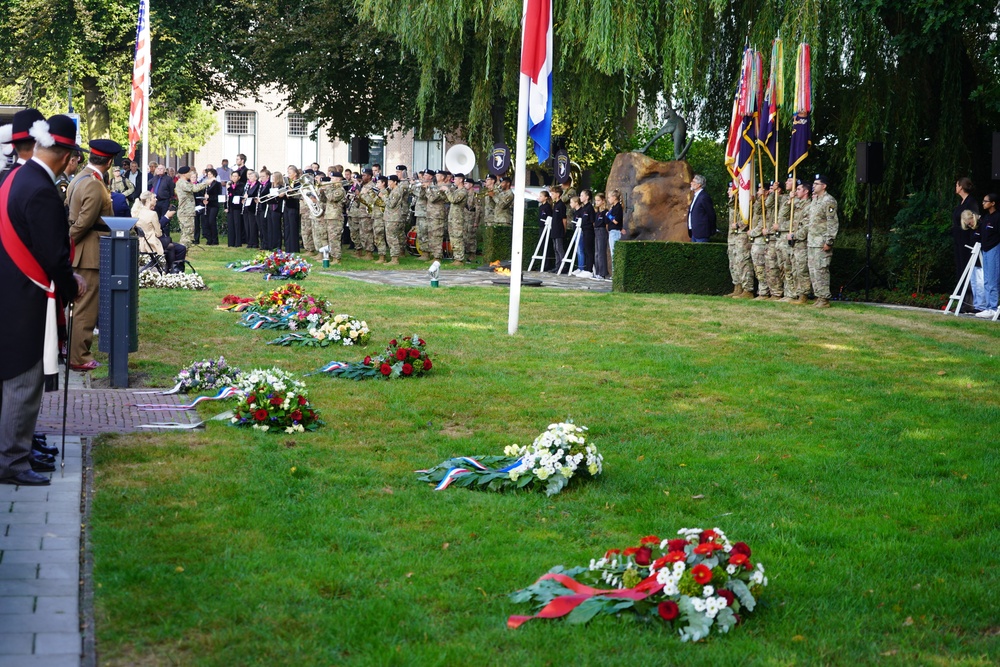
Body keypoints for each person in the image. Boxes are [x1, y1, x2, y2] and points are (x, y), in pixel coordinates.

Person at [0, 114, 86, 486]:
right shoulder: (40, 189)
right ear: (67, 158)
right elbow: (54, 255)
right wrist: (72, 285)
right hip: (27, 299)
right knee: (23, 382)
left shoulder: (17, 178)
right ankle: (13, 462)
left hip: (10, 291)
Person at [67, 137, 121, 372]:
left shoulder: (80, 177)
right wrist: (66, 244)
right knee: (85, 308)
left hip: (82, 251)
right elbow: (82, 223)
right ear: (109, 162)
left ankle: (73, 351)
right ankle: (79, 356)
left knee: (79, 306)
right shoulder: (93, 184)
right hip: (89, 253)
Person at [807, 174, 840, 308]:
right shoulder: (815, 200)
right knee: (813, 270)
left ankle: (824, 298)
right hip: (812, 241)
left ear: (824, 186)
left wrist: (829, 241)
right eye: (813, 184)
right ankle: (818, 296)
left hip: (821, 242)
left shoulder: (829, 201)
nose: (813, 186)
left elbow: (832, 222)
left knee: (821, 269)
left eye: (816, 184)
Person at [135, 191, 186, 271]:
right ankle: (174, 270)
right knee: (171, 244)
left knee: (172, 245)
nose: (156, 199)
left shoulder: (138, 212)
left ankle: (171, 269)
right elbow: (158, 234)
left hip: (142, 242)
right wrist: (166, 218)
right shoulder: (152, 214)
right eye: (154, 198)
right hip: (151, 243)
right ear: (148, 200)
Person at [787, 180, 813, 305]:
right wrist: (790, 199)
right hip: (795, 243)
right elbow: (784, 215)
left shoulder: (809, 207)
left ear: (806, 191)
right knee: (795, 268)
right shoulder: (797, 205)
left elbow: (807, 227)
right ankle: (798, 293)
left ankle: (804, 295)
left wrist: (795, 235)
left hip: (802, 242)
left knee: (802, 269)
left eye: (798, 189)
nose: (795, 191)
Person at [974, 195, 1000, 318]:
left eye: (986, 201)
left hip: (994, 248)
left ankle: (993, 308)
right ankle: (988, 306)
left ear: (993, 203)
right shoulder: (986, 217)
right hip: (985, 249)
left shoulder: (997, 217)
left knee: (993, 279)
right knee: (987, 278)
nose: (983, 203)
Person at [174, 166, 212, 247]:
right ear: (185, 174)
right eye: (189, 172)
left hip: (186, 212)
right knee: (187, 236)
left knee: (186, 234)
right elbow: (194, 188)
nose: (191, 174)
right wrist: (206, 182)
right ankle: (182, 252)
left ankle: (182, 252)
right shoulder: (182, 183)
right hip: (186, 213)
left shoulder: (182, 182)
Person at [748, 184, 771, 299]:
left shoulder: (768, 203)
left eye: (761, 189)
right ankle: (762, 290)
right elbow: (756, 213)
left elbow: (764, 221)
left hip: (761, 239)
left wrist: (753, 232)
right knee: (757, 267)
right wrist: (755, 200)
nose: (758, 192)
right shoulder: (760, 202)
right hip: (756, 239)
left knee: (761, 266)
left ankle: (764, 292)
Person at [321, 172, 346, 261]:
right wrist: (321, 191)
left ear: (338, 179)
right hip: (329, 216)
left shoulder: (340, 190)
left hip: (336, 217)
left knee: (334, 238)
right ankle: (331, 256)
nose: (330, 180)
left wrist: (327, 189)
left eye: (333, 178)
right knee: (330, 238)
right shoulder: (331, 189)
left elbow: (332, 198)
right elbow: (324, 200)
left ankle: (337, 258)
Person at [424, 171, 448, 261]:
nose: (436, 176)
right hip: (431, 214)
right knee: (431, 235)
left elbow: (432, 199)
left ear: (442, 177)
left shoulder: (443, 188)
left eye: (438, 175)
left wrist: (427, 189)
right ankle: (434, 255)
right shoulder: (435, 186)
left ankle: (437, 256)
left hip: (437, 215)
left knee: (437, 236)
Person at [446, 173, 468, 264]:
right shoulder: (456, 190)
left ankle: (459, 259)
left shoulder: (462, 191)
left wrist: (447, 190)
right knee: (453, 237)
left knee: (458, 237)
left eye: (455, 179)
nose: (453, 180)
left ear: (460, 180)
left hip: (458, 218)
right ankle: (456, 257)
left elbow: (453, 199)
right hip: (452, 218)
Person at [687, 174, 716, 242]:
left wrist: (711, 229)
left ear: (698, 185)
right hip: (694, 232)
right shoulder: (696, 196)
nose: (691, 183)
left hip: (702, 233)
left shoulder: (703, 197)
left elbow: (711, 214)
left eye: (693, 181)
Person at [282, 165, 302, 252]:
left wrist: (291, 191)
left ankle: (294, 248)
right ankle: (288, 247)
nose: (288, 174)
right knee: (287, 227)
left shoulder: (298, 183)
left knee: (293, 227)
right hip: (287, 205)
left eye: (290, 173)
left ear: (295, 173)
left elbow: (298, 195)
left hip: (294, 206)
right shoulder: (288, 182)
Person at [201, 168, 222, 245]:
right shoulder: (206, 184)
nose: (208, 176)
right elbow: (202, 194)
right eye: (208, 174)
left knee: (211, 221)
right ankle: (209, 239)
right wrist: (204, 200)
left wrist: (209, 198)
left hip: (214, 205)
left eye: (210, 174)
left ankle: (215, 240)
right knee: (206, 222)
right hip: (207, 205)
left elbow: (217, 196)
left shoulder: (217, 184)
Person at [592, 192, 609, 280]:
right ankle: (598, 272)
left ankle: (602, 273)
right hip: (596, 230)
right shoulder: (597, 212)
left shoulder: (605, 212)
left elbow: (606, 224)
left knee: (601, 253)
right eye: (595, 201)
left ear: (603, 201)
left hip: (602, 231)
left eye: (598, 200)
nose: (596, 202)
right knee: (597, 253)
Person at [226, 171, 245, 247]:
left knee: (237, 224)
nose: (234, 178)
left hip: (237, 207)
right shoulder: (230, 185)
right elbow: (228, 197)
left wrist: (230, 188)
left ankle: (238, 242)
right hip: (230, 207)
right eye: (233, 176)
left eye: (236, 176)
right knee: (230, 224)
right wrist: (226, 206)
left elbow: (237, 193)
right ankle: (231, 242)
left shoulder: (241, 185)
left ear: (239, 177)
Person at [551, 185, 567, 270]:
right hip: (554, 229)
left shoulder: (561, 205)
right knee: (555, 248)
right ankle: (557, 265)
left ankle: (563, 266)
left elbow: (564, 219)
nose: (551, 195)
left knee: (559, 248)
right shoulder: (555, 205)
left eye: (553, 193)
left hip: (559, 229)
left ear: (558, 194)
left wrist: (564, 229)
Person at [537, 190, 554, 271]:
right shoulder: (541, 207)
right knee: (542, 246)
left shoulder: (547, 207)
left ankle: (547, 264)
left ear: (546, 198)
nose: (539, 197)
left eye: (541, 196)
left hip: (546, 228)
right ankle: (543, 263)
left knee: (546, 246)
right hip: (541, 227)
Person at [606, 189, 624, 265]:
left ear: (614, 197)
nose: (608, 199)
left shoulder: (618, 207)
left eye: (609, 197)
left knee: (614, 253)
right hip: (612, 231)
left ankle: (615, 274)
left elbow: (616, 221)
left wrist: (609, 216)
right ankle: (614, 273)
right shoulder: (613, 207)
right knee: (613, 252)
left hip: (615, 232)